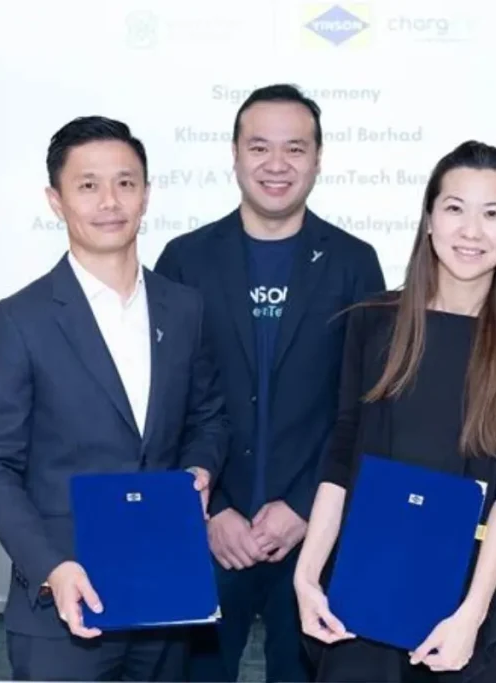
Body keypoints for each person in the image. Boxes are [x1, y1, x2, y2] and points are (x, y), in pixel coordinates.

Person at [0, 116, 229, 681]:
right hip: (63, 606)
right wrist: (50, 566)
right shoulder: (18, 320)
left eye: (126, 183)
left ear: (147, 195)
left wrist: (202, 466)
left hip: (163, 597)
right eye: (88, 185)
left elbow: (208, 417)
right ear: (56, 201)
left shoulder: (184, 309)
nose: (110, 201)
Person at [292, 140, 496, 682]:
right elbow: (344, 452)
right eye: (454, 208)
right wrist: (306, 574)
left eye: (492, 213)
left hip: (482, 597)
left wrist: (473, 611)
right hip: (368, 585)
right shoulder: (374, 323)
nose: (471, 231)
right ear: (428, 220)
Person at [153, 84, 385, 682]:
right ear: (233, 155)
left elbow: (364, 407)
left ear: (318, 159)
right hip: (208, 534)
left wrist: (308, 507)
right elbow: (165, 406)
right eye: (259, 147)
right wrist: (210, 513)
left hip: (312, 535)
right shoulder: (185, 259)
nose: (276, 165)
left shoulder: (354, 262)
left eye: (295, 148)